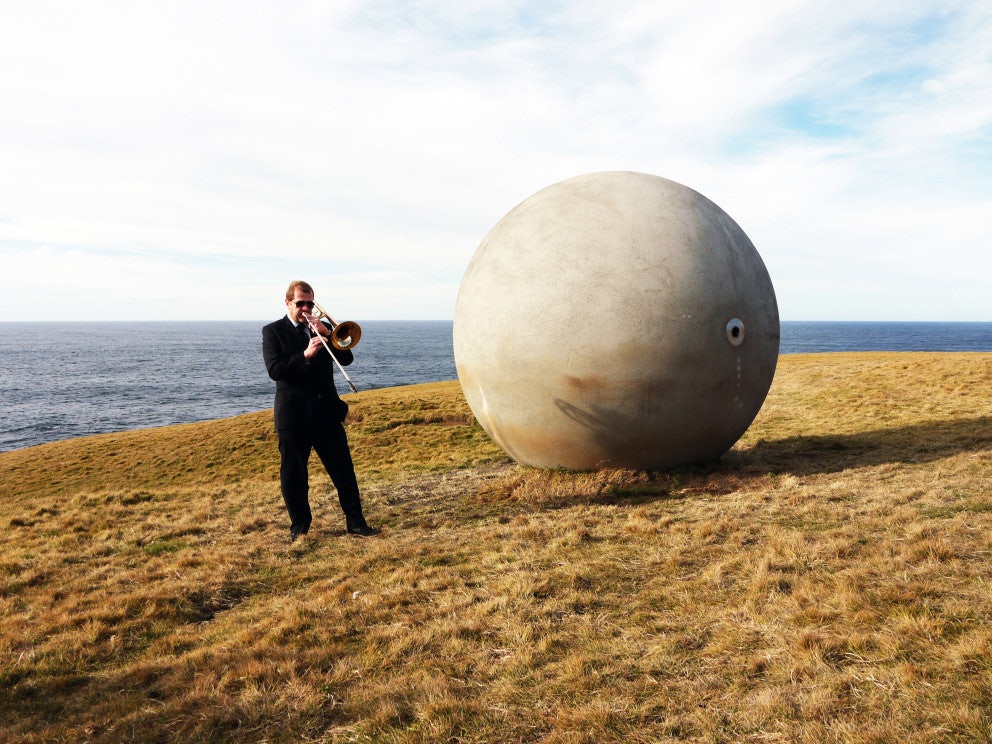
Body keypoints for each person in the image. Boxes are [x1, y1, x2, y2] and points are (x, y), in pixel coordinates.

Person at [262, 280, 380, 540]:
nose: (306, 308)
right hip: (294, 417)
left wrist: (327, 334)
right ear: (287, 303)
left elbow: (346, 358)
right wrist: (304, 355)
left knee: (344, 471)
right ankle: (300, 529)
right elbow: (275, 370)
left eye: (310, 303)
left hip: (326, 413)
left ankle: (357, 523)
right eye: (300, 303)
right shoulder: (273, 331)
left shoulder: (322, 329)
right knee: (294, 477)